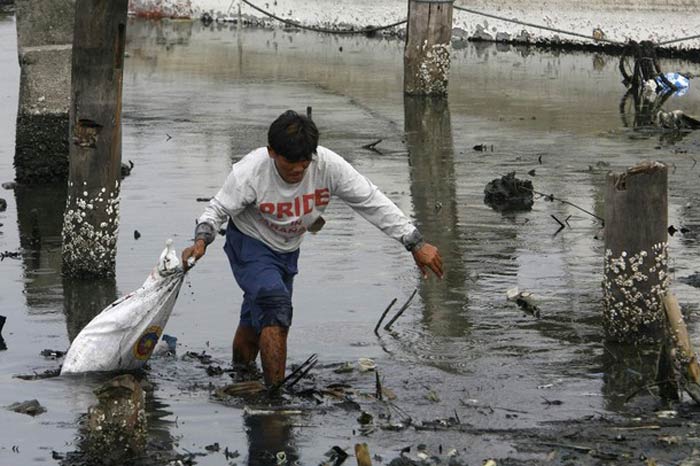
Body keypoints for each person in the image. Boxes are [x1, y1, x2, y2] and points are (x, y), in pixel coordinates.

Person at [182, 110, 443, 388]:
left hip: (287, 250)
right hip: (250, 243)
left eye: (304, 163)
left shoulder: (328, 166)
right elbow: (217, 210)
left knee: (256, 320)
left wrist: (414, 242)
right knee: (275, 305)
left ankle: (241, 375)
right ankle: (275, 400)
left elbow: (370, 200)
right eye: (289, 162)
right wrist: (201, 241)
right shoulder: (250, 172)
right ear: (272, 152)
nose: (297, 170)